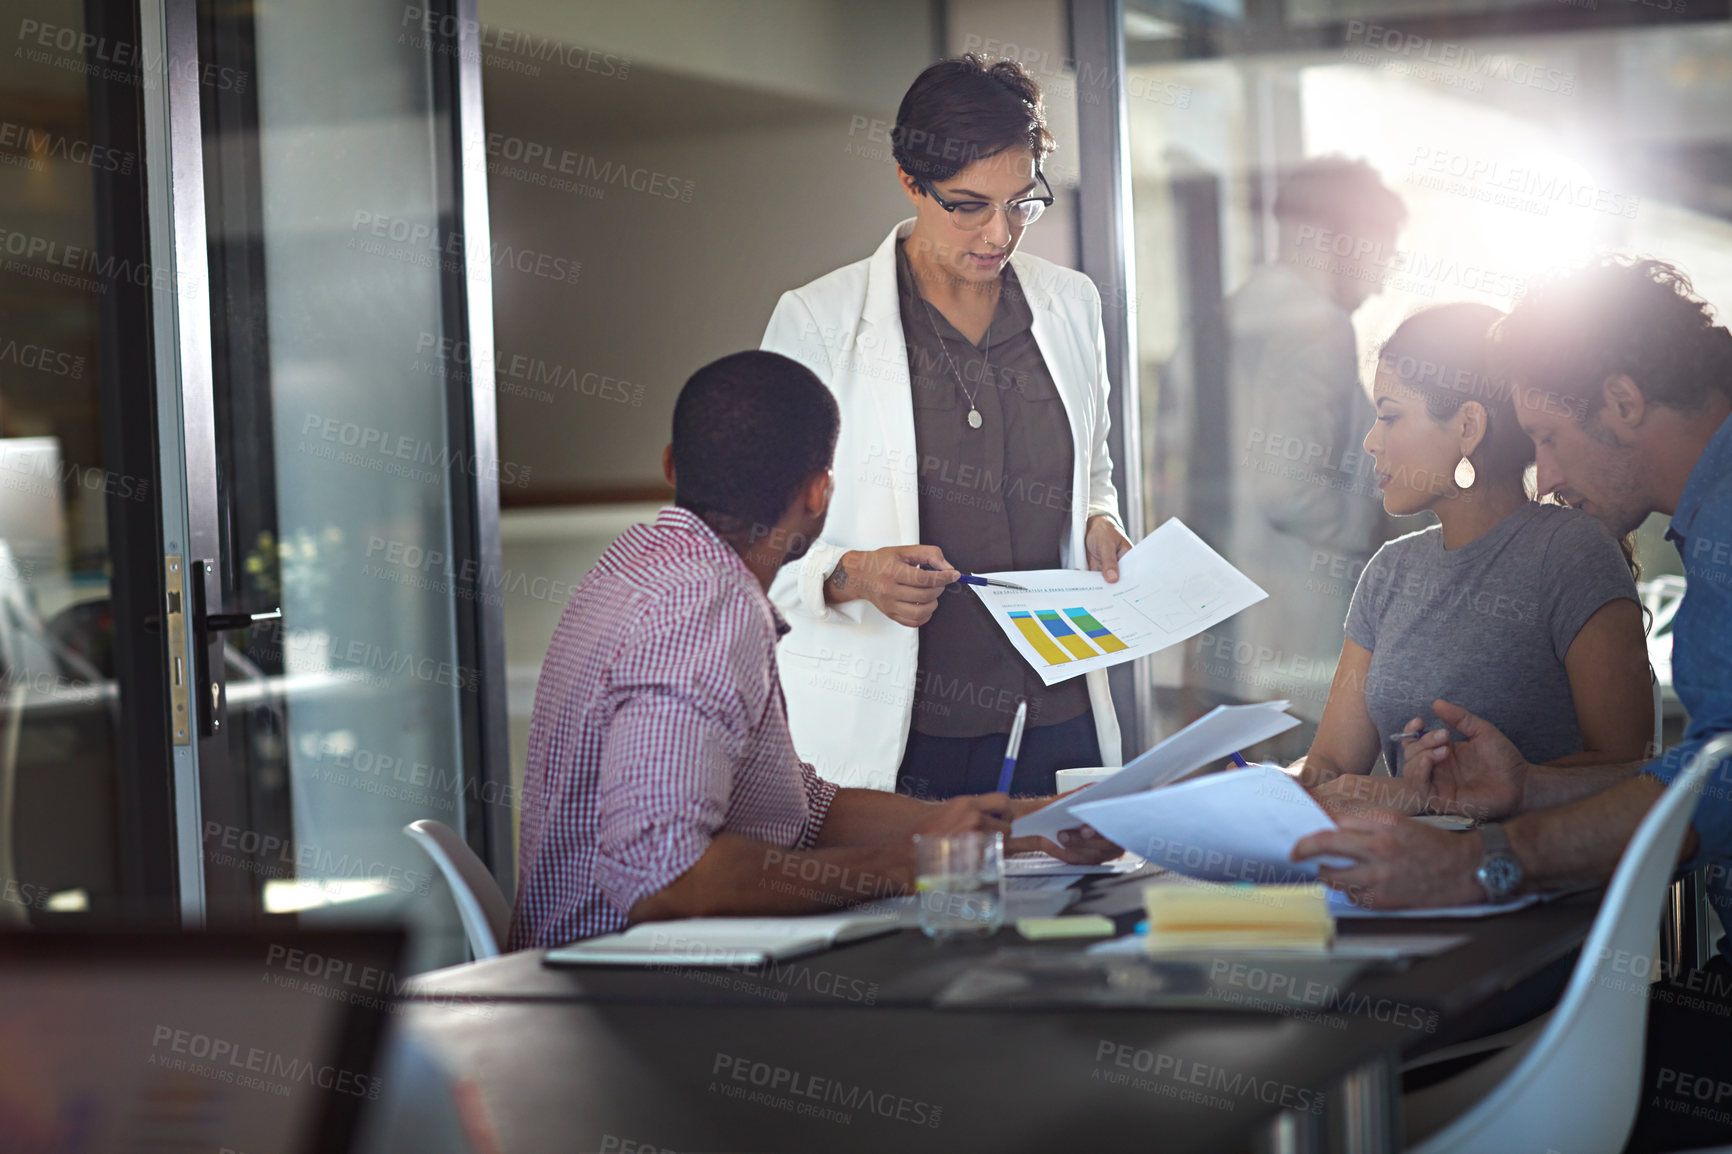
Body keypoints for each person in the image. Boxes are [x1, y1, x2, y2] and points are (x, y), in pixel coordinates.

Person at [1286, 258, 1732, 1151]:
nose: (1547, 470)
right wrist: (1514, 791)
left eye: (1554, 438)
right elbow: (1701, 772)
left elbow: (1704, 782)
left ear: (1625, 401)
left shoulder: (1607, 547)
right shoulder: (1706, 523)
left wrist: (1488, 858)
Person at [510, 351, 1115, 949]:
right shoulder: (704, 610)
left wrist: (1029, 825)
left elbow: (805, 812)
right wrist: (912, 863)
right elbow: (666, 878)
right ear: (819, 492)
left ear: (672, 466)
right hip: (618, 999)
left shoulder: (636, 567)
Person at [760, 54, 1131, 800]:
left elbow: (1093, 471)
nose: (999, 233)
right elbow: (752, 540)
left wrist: (1100, 520)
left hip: (1058, 715)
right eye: (968, 205)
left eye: (1022, 202)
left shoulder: (1071, 304)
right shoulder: (818, 322)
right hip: (899, 734)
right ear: (910, 182)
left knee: (1077, 915)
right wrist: (851, 575)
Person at [1293, 303, 1651, 798]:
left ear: (1467, 427)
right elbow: (1329, 764)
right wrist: (1268, 788)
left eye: (1391, 417)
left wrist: (1488, 792)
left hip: (1529, 871)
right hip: (1402, 869)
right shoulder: (1389, 573)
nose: (1372, 442)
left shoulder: (1571, 553)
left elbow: (1632, 773)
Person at [1206, 158, 1407, 743]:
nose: (1383, 277)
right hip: (1296, 626)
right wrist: (1376, 526)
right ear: (1339, 238)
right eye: (1382, 250)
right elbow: (1284, 487)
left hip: (1237, 623)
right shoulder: (1317, 324)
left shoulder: (1231, 312)